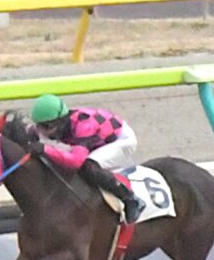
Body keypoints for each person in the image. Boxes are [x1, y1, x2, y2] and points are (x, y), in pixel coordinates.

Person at [28, 92, 146, 223]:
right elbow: (31, 131)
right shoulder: (58, 123)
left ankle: (131, 199)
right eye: (40, 126)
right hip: (100, 140)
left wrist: (45, 149)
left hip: (121, 140)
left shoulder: (84, 126)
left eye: (46, 127)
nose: (42, 131)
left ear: (60, 122)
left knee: (89, 166)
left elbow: (76, 161)